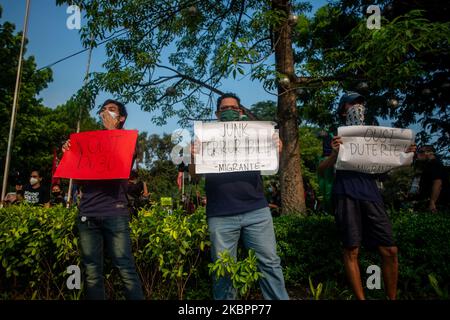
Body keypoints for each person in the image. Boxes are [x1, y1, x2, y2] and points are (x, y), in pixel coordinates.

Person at [318, 91, 416, 300]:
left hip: (371, 194)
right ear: (343, 110)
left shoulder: (376, 134)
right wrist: (335, 153)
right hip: (345, 193)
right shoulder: (333, 135)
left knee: (390, 250)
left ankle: (391, 297)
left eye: (361, 103)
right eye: (352, 104)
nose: (357, 107)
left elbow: (383, 167)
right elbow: (321, 168)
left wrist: (405, 153)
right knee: (351, 249)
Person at [190, 92, 289, 300]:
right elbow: (194, 176)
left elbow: (271, 167)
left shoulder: (255, 134)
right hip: (220, 214)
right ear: (217, 114)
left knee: (269, 263)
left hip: (257, 211)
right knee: (224, 271)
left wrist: (275, 150)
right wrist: (194, 157)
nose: (228, 111)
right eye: (224, 109)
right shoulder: (205, 138)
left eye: (233, 108)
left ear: (240, 112)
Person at [62, 99, 144, 300]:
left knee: (125, 269)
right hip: (88, 213)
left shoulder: (127, 140)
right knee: (91, 273)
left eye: (112, 109)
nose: (106, 112)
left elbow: (125, 161)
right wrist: (70, 153)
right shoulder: (90, 141)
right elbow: (79, 176)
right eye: (103, 109)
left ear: (121, 118)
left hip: (115, 212)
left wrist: (111, 132)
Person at [413, 145, 450, 212]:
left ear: (430, 153)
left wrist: (432, 202)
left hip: (439, 205)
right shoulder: (429, 165)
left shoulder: (435, 164)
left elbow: (438, 183)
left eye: (421, 152)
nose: (418, 154)